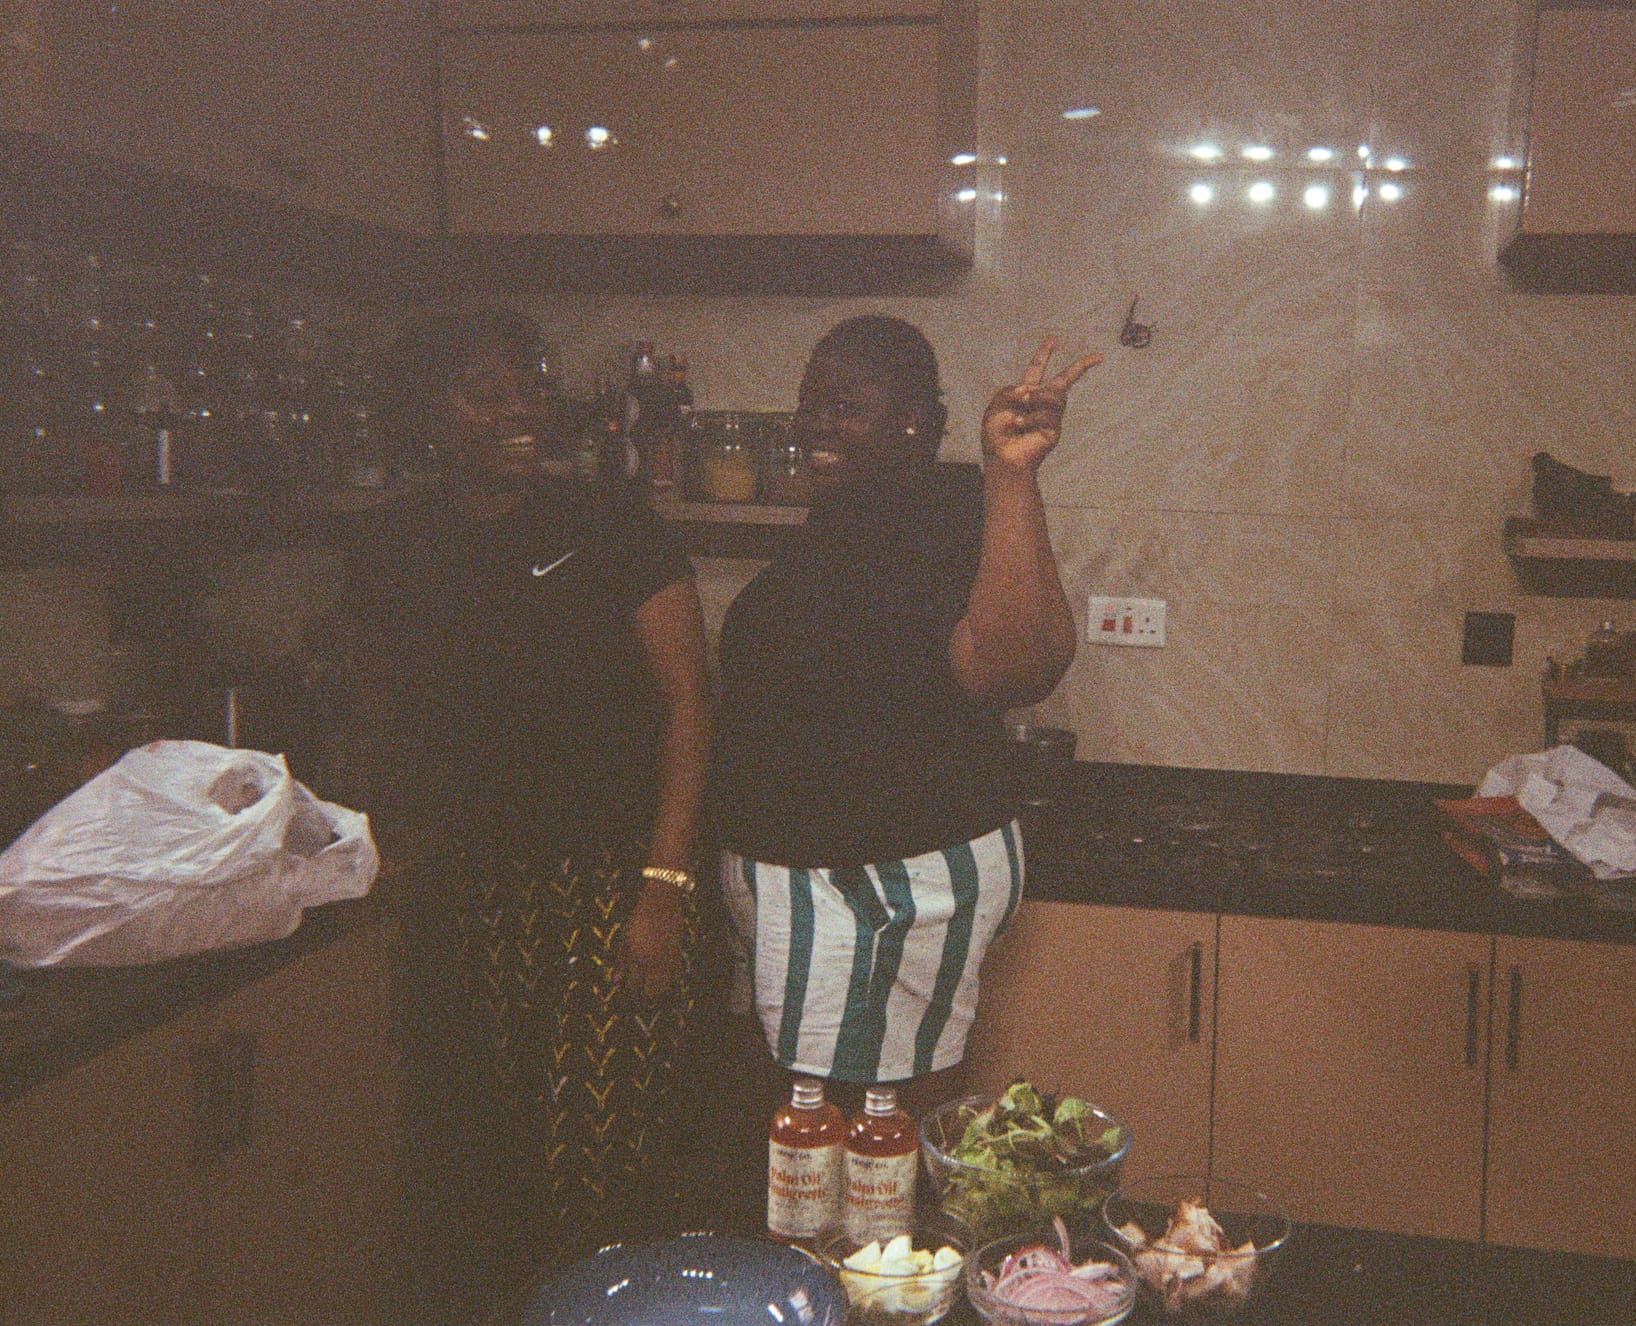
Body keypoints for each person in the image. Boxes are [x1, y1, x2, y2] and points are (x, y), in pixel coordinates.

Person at [330, 306, 711, 1302]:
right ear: (427, 414)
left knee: (596, 1156)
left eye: (531, 388)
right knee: (472, 1158)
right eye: (485, 393)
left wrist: (663, 889)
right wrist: (376, 845)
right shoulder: (390, 542)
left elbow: (688, 704)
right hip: (462, 889)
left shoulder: (611, 525)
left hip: (611, 886)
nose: (519, 412)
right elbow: (376, 710)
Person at [709, 314, 1100, 1121]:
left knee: (863, 1127)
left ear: (917, 420)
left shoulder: (951, 510)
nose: (815, 424)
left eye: (846, 407)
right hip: (815, 878)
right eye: (810, 404)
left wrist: (1011, 476)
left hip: (881, 879)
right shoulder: (847, 517)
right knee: (823, 1129)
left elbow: (1017, 668)